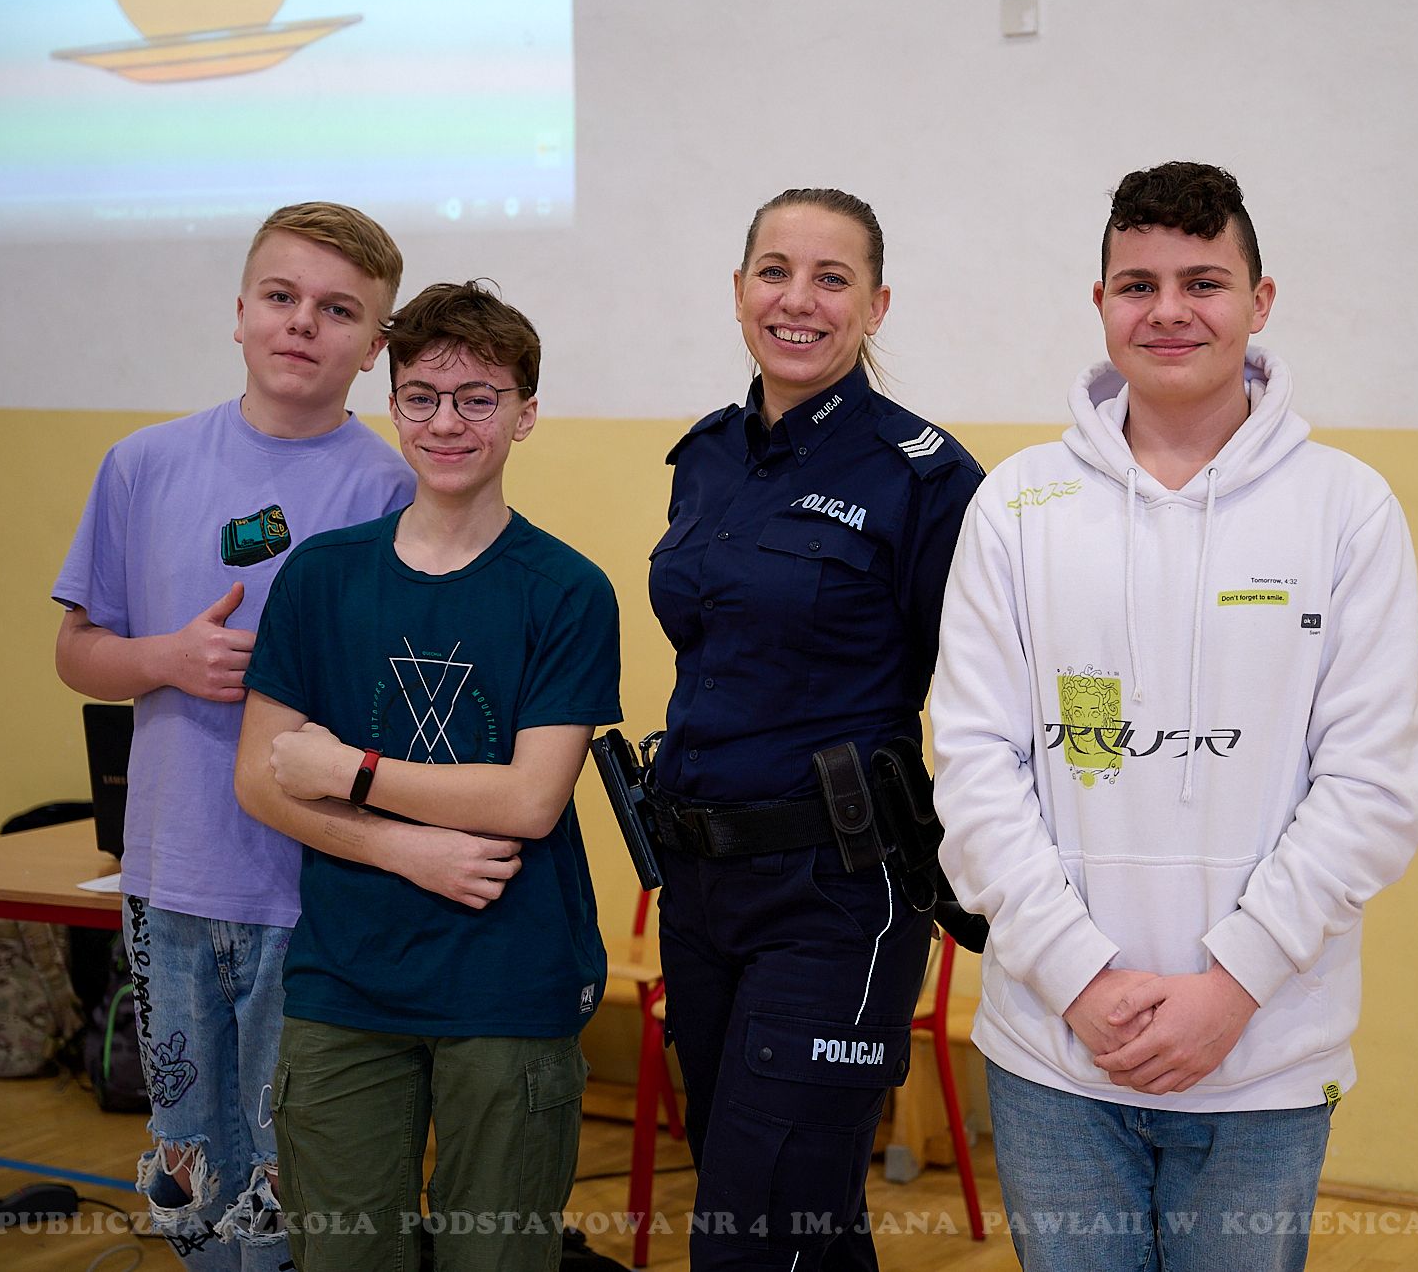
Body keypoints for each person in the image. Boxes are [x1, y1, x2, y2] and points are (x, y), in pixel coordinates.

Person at [931, 161, 1418, 1272]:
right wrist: (1080, 978)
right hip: (1054, 1053)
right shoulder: (1016, 506)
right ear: (1100, 302)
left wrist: (1233, 986)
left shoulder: (1346, 510)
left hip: (1264, 1054)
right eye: (1137, 284)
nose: (1168, 311)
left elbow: (1374, 788)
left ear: (1260, 301)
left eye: (1202, 281)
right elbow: (972, 770)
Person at [52, 203, 414, 1271]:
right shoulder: (142, 464)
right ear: (241, 310)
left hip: (314, 888)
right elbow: (78, 652)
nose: (303, 323)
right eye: (281, 296)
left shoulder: (392, 487)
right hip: (170, 878)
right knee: (189, 1171)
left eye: (338, 309)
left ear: (375, 345)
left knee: (294, 1170)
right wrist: (167, 658)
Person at [232, 280, 621, 1272]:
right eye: (422, 396)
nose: (447, 422)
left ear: (524, 414)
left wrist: (347, 768)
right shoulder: (321, 575)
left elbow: (528, 797)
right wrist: (408, 850)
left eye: (478, 398)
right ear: (394, 405)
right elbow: (264, 779)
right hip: (345, 982)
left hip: (509, 982)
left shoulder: (567, 590)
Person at [647, 187, 982, 1269]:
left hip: (835, 895)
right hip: (700, 888)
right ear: (739, 289)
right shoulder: (707, 458)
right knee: (797, 1221)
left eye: (831, 279)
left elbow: (984, 699)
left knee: (756, 1232)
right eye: (775, 271)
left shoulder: (924, 479)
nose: (798, 299)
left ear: (875, 306)